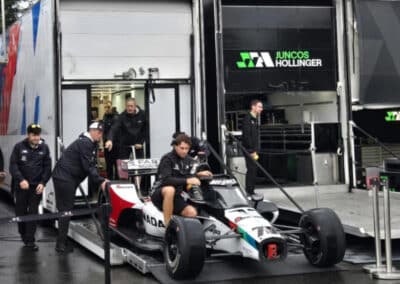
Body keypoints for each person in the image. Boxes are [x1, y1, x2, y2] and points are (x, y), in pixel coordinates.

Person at [52, 122, 108, 253]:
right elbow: (87, 166)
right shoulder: (85, 143)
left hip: (65, 178)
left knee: (65, 210)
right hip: (65, 178)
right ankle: (60, 244)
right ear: (91, 131)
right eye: (98, 132)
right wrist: (101, 181)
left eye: (101, 133)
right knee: (65, 210)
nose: (100, 135)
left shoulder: (88, 142)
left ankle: (62, 241)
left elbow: (90, 164)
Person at [151, 134, 212, 225]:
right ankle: (168, 226)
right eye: (181, 148)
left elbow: (188, 175)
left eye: (186, 148)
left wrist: (199, 174)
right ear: (175, 146)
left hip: (176, 196)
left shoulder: (189, 160)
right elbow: (166, 180)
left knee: (192, 213)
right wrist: (188, 181)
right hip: (160, 193)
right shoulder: (167, 159)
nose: (184, 151)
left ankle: (182, 230)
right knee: (170, 189)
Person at [9, 123, 52, 251]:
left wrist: (43, 182)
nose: (36, 137)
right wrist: (21, 180)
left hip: (36, 187)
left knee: (33, 213)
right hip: (21, 186)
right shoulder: (19, 147)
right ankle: (23, 233)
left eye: (38, 135)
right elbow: (13, 166)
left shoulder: (44, 148)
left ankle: (30, 240)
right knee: (20, 212)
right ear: (28, 135)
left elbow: (47, 167)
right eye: (33, 135)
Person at [241, 99, 263, 196]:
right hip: (249, 150)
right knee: (251, 169)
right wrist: (252, 150)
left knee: (253, 169)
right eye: (259, 107)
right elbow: (246, 136)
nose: (261, 109)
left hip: (254, 149)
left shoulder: (255, 119)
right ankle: (249, 191)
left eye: (261, 107)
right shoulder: (248, 119)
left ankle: (251, 190)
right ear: (253, 107)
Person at [102, 102, 119, 179]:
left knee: (117, 166)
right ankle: (109, 183)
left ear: (112, 107)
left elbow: (114, 131)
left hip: (116, 146)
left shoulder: (116, 117)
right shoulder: (105, 116)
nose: (106, 109)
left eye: (108, 107)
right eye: (105, 107)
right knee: (108, 165)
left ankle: (117, 183)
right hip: (106, 144)